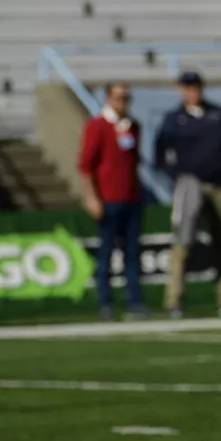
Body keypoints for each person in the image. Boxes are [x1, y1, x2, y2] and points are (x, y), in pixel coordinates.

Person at [153, 71, 221, 319]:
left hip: (217, 185)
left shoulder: (218, 115)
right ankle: (174, 300)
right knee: (183, 240)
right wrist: (177, 177)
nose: (192, 92)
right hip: (189, 185)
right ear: (181, 90)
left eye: (196, 87)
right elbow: (160, 153)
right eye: (188, 88)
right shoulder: (174, 119)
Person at [78, 81, 146, 321]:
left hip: (131, 198)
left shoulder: (132, 127)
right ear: (108, 99)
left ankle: (134, 302)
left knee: (132, 254)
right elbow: (86, 166)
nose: (123, 102)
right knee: (106, 254)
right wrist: (92, 197)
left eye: (126, 98)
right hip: (108, 200)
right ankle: (105, 302)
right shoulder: (97, 126)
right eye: (118, 98)